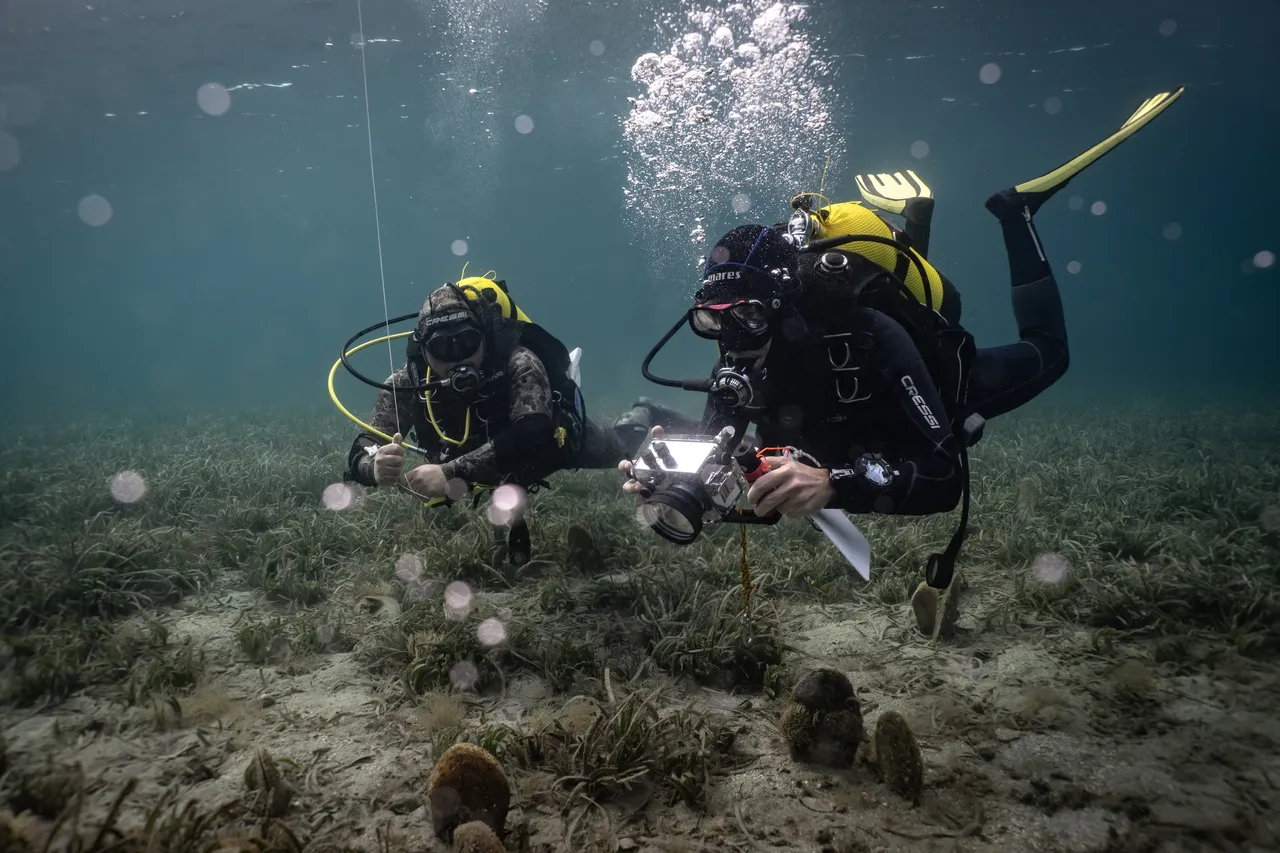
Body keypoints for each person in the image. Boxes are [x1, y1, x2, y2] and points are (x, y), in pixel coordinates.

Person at [621, 88, 1185, 638]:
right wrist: (672, 482)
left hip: (928, 385)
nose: (730, 340)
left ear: (782, 305)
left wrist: (833, 485)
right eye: (712, 321)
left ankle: (1016, 213)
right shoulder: (740, 357)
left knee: (1051, 354)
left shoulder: (868, 332)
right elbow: (729, 464)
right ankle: (915, 219)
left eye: (746, 316)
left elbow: (943, 479)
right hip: (854, 430)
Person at [344, 273, 667, 564]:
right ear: (424, 350)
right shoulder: (408, 383)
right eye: (443, 347)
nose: (458, 358)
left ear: (484, 336)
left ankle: (644, 411)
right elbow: (365, 445)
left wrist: (449, 472)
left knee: (623, 449)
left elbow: (532, 432)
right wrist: (373, 467)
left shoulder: (518, 360)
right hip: (483, 461)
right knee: (504, 485)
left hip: (554, 447)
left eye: (467, 341)